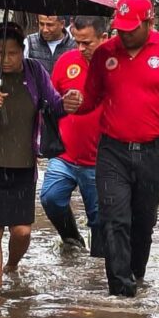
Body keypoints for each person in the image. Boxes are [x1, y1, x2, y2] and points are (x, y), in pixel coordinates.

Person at [76, 0, 159, 297]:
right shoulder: (105, 53)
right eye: (120, 28)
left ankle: (135, 276)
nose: (124, 34)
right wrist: (75, 103)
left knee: (143, 224)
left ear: (150, 22)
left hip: (153, 152)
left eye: (131, 29)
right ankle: (121, 295)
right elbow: (90, 99)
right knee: (114, 220)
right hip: (112, 152)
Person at [0, 23, 82, 291]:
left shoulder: (34, 71)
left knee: (22, 231)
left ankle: (12, 265)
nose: (5, 59)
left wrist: (67, 104)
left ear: (22, 51)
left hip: (21, 168)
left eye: (12, 53)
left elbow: (53, 105)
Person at [40, 15, 109, 256]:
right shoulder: (67, 61)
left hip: (100, 159)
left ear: (104, 38)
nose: (80, 48)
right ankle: (72, 240)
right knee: (50, 197)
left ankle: (99, 266)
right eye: (77, 42)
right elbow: (49, 100)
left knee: (99, 218)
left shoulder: (115, 66)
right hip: (65, 153)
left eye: (87, 43)